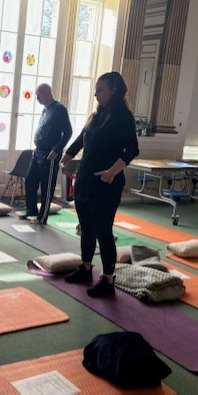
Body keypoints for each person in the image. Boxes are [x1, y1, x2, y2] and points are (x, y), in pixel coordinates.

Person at [60, 72, 139, 298]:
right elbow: (81, 140)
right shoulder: (97, 115)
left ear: (114, 91)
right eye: (96, 90)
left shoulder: (123, 117)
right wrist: (66, 158)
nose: (96, 94)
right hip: (85, 179)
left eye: (100, 90)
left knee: (103, 231)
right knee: (86, 227)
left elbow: (132, 149)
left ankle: (108, 279)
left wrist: (112, 171)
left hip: (106, 183)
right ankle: (86, 267)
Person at [20, 83, 72, 224]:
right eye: (36, 96)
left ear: (48, 93)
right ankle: (31, 210)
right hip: (38, 152)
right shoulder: (45, 109)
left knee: (46, 186)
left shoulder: (59, 109)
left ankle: (42, 217)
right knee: (30, 180)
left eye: (39, 96)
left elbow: (68, 132)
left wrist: (56, 150)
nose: (37, 99)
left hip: (50, 155)